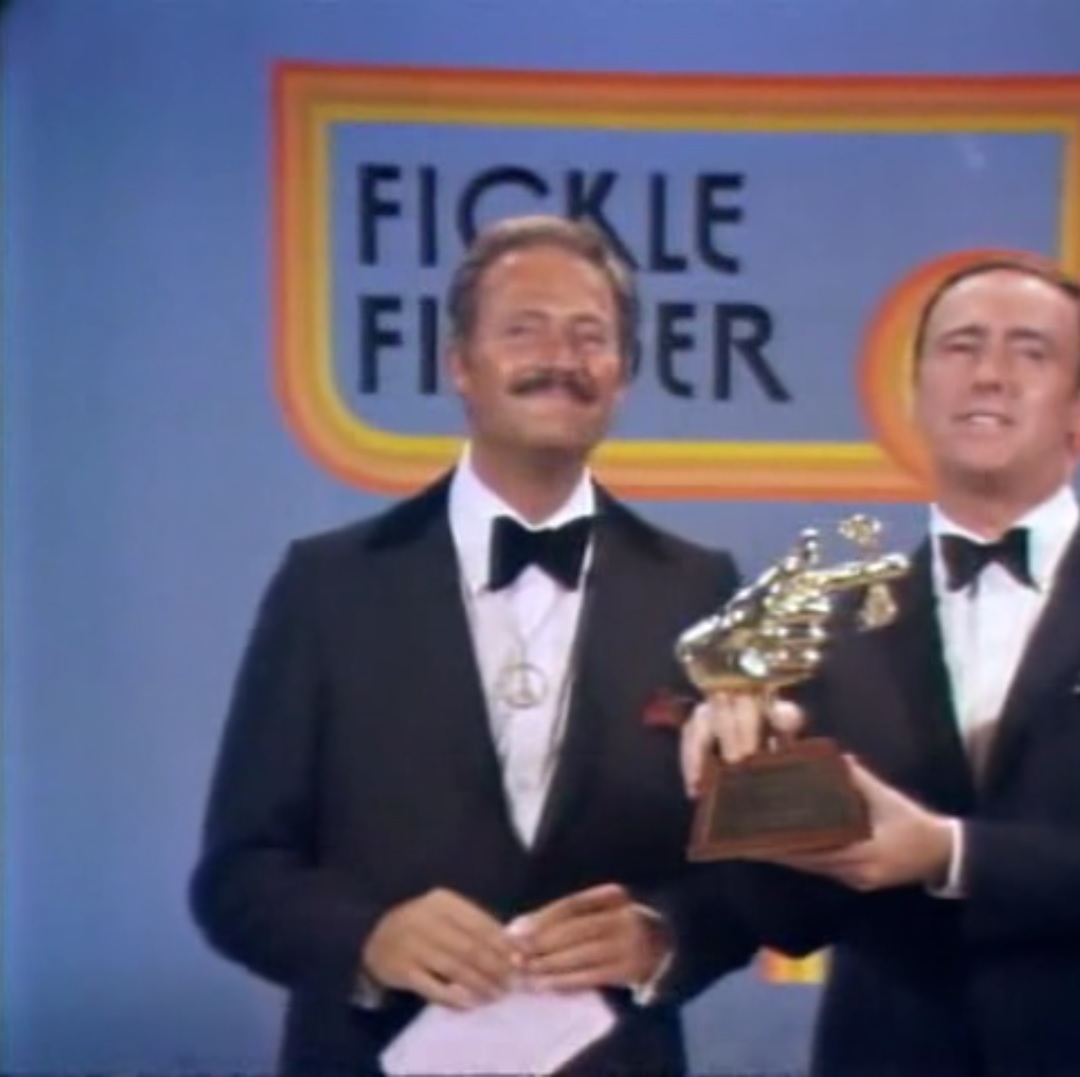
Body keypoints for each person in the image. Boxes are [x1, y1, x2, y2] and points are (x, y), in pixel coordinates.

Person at [662, 257, 1080, 1077]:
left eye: (1029, 351)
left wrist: (949, 853)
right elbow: (792, 918)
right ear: (917, 390)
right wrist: (743, 786)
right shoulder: (825, 625)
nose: (988, 374)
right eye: (960, 346)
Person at [189, 214, 740, 1076]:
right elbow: (237, 874)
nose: (560, 356)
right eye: (524, 328)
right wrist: (368, 938)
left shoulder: (700, 593)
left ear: (622, 375)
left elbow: (757, 872)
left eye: (589, 335)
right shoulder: (329, 586)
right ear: (460, 364)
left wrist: (663, 934)